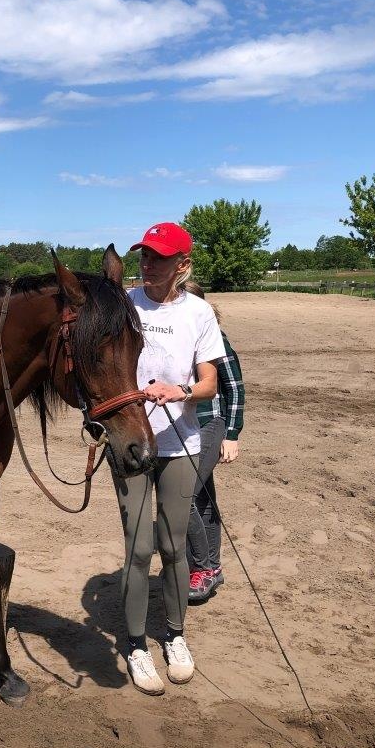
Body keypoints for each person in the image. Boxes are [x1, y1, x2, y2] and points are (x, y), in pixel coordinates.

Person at [116, 222, 225, 695]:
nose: (147, 264)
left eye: (158, 257)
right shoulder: (124, 306)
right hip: (131, 443)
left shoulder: (199, 313)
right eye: (144, 255)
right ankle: (136, 646)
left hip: (180, 442)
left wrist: (180, 390)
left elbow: (210, 383)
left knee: (174, 546)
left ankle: (175, 636)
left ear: (183, 264)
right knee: (139, 548)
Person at [184, 281, 245, 602]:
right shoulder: (177, 337)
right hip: (184, 426)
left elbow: (234, 387)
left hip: (210, 423)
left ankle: (201, 567)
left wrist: (232, 434)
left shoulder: (216, 339)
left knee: (184, 497)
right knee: (203, 498)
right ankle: (213, 567)